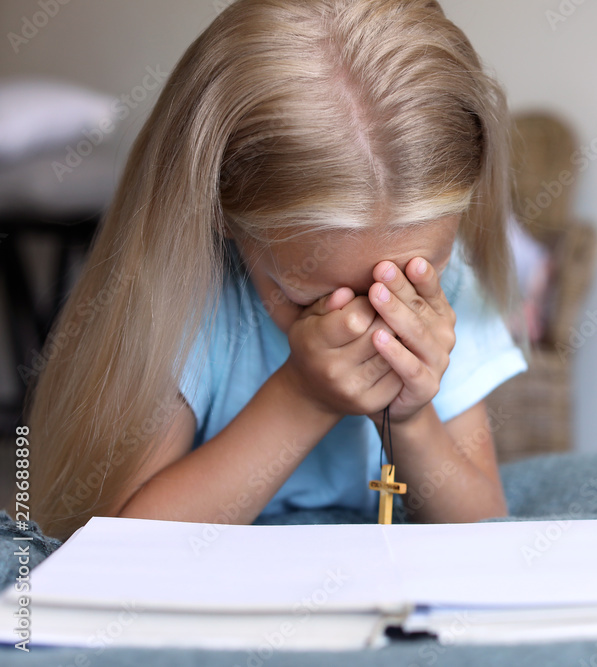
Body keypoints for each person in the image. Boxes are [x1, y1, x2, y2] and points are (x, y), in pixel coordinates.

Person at [17, 0, 526, 542]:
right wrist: (302, 397)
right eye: (312, 296)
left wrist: (410, 419)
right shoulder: (186, 296)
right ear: (219, 213)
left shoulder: (448, 282)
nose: (369, 324)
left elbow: (483, 531)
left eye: (408, 291)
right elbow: (121, 550)